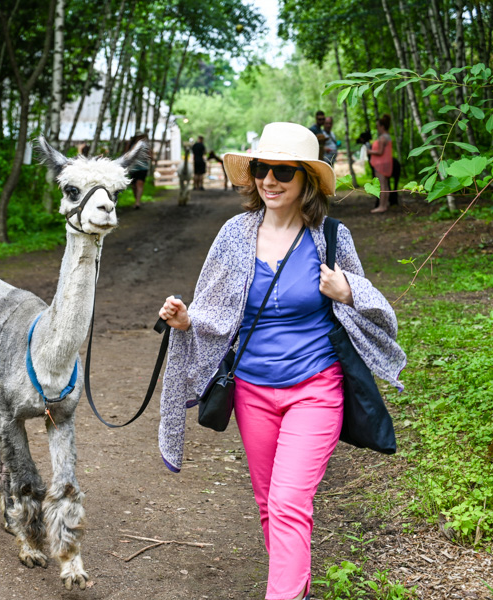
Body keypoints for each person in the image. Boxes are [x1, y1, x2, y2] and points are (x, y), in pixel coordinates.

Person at [156, 122, 406, 600]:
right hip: (252, 390)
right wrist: (187, 319)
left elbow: (378, 307)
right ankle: (297, 589)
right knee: (269, 503)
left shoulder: (331, 237)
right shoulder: (234, 234)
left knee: (290, 501)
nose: (269, 180)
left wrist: (347, 290)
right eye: (262, 169)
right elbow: (216, 307)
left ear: (306, 181)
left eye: (283, 172)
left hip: (316, 387)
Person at [367, 114, 394, 213]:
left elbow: (380, 152)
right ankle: (384, 204)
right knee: (385, 185)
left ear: (382, 126)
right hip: (386, 163)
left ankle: (382, 206)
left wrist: (369, 152)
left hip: (381, 164)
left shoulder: (383, 138)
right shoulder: (388, 136)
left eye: (378, 126)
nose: (377, 128)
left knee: (382, 185)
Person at [127, 131, 149, 209]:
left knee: (139, 184)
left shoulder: (146, 146)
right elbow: (127, 154)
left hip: (143, 168)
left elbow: (150, 155)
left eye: (141, 136)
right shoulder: (131, 145)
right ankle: (137, 199)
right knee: (133, 186)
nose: (140, 138)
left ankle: (137, 202)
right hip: (133, 168)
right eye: (138, 136)